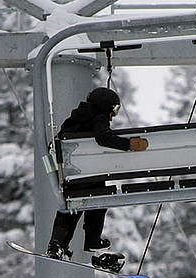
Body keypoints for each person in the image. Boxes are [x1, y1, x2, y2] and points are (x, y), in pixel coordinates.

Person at [49, 86, 148, 260]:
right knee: (98, 201)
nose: (113, 115)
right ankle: (92, 239)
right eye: (114, 110)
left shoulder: (74, 117)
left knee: (70, 209)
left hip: (70, 173)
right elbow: (103, 138)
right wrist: (128, 145)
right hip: (88, 172)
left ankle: (57, 244)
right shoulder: (97, 117)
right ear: (105, 106)